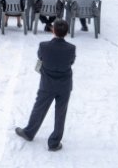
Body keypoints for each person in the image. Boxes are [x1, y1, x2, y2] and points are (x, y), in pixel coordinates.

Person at [16, 18, 76, 151]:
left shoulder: (44, 46)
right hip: (64, 85)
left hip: (47, 83)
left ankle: (29, 132)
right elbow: (71, 62)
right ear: (66, 32)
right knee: (61, 113)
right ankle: (54, 142)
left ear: (53, 30)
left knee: (39, 108)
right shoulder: (71, 48)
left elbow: (40, 58)